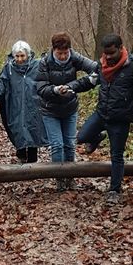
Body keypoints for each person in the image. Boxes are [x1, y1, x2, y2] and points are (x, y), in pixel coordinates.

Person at [69, 33, 133, 204]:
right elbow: (89, 82)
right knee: (81, 137)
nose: (108, 57)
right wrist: (71, 87)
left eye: (111, 53)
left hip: (120, 119)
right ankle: (98, 137)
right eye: (105, 53)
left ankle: (115, 190)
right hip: (102, 113)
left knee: (116, 155)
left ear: (120, 48)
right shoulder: (101, 66)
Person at [36, 32, 97, 191]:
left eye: (66, 52)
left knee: (70, 144)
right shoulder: (44, 63)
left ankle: (71, 176)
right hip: (50, 110)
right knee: (57, 145)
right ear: (53, 50)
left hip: (70, 108)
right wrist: (55, 90)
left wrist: (77, 85)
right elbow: (41, 88)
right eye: (60, 53)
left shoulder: (75, 58)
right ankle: (59, 178)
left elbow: (95, 69)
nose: (63, 56)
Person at [0, 40, 48, 163]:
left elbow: (46, 83)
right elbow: (0, 88)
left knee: (33, 132)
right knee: (18, 131)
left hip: (33, 106)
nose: (20, 59)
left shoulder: (37, 67)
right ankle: (21, 157)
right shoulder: (9, 69)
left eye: (22, 56)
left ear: (28, 55)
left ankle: (33, 166)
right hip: (15, 107)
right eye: (17, 56)